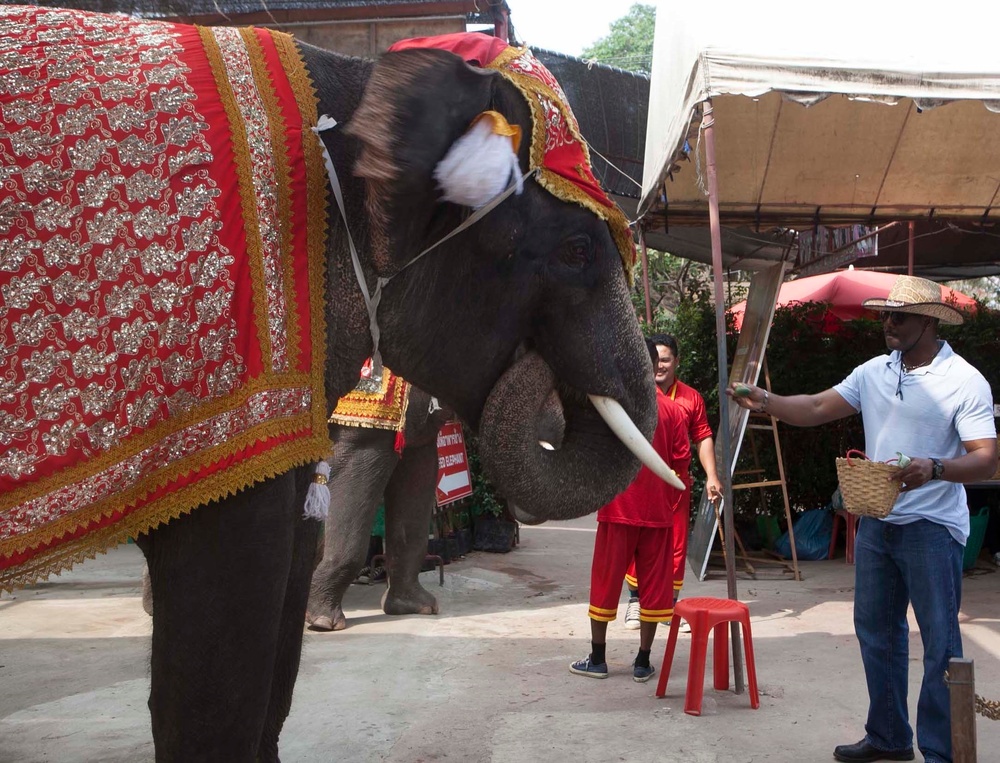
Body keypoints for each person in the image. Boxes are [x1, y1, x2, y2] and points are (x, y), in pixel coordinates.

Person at [727, 275, 997, 763]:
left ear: (929, 321)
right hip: (877, 524)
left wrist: (935, 468)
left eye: (898, 317)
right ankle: (889, 737)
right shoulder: (874, 371)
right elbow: (814, 407)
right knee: (876, 632)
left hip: (933, 530)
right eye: (885, 315)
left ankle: (941, 752)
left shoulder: (964, 381)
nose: (887, 324)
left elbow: (986, 459)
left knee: (940, 643)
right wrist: (765, 401)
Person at [569, 338, 690, 682]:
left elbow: (592, 452)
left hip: (618, 510)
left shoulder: (612, 408)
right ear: (654, 367)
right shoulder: (671, 411)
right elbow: (681, 463)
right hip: (657, 515)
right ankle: (642, 661)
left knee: (604, 582)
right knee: (654, 588)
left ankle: (598, 658)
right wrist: (669, 503)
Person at [623, 333, 722, 631]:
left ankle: (669, 605)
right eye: (655, 359)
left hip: (675, 486)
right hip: (637, 484)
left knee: (676, 544)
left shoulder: (691, 398)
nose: (660, 365)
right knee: (636, 542)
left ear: (676, 361)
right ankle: (635, 602)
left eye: (665, 359)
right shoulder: (634, 394)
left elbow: (703, 436)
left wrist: (712, 476)